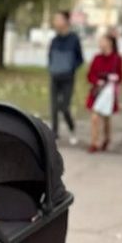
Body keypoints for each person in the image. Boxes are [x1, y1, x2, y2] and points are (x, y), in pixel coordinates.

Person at [48, 9, 84, 144]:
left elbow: (80, 59)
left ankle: (72, 128)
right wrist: (52, 68)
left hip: (68, 78)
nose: (55, 22)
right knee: (54, 107)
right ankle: (54, 134)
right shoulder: (54, 40)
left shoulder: (74, 39)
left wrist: (70, 68)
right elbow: (50, 57)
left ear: (66, 21)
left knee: (64, 107)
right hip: (54, 76)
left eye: (58, 19)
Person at [86, 33, 122, 152]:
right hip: (98, 91)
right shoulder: (97, 58)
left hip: (109, 92)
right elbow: (90, 75)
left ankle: (107, 138)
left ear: (109, 43)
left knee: (106, 117)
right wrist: (97, 81)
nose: (100, 44)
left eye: (102, 41)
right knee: (95, 117)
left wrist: (114, 78)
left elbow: (120, 76)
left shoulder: (117, 59)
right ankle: (94, 142)